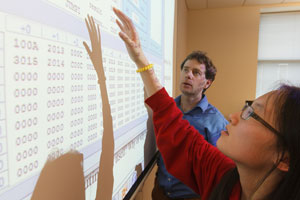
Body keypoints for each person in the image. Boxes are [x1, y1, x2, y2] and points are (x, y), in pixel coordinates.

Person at [85, 8, 300, 200]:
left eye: (252, 113)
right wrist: (141, 59)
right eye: (185, 70)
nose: (233, 117)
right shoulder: (223, 177)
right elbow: (178, 132)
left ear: (284, 157)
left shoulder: (216, 127)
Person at [153, 50, 228, 200]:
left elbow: (218, 171)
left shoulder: (216, 121)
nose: (188, 75)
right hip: (160, 193)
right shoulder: (168, 110)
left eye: (196, 72)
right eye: (186, 70)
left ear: (207, 82)